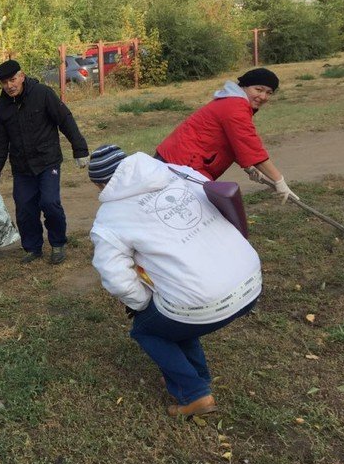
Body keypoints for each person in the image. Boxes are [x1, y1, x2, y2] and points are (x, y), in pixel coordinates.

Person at [88, 145, 262, 417]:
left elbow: (115, 277)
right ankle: (194, 376)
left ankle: (195, 394)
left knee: (148, 328)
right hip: (251, 277)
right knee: (174, 314)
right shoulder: (180, 172)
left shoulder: (109, 218)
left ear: (100, 184)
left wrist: (141, 302)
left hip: (204, 298)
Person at [0, 59, 90, 265]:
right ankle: (32, 248)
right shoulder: (1, 107)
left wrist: (80, 149)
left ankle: (58, 243)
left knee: (50, 203)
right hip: (22, 167)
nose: (9, 86)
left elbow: (65, 119)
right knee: (25, 208)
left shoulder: (43, 94)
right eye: (4, 82)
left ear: (22, 76)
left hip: (47, 160)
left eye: (13, 80)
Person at [155, 67, 298, 203]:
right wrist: (278, 180)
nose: (263, 96)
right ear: (244, 86)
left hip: (182, 161)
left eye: (269, 92)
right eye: (258, 89)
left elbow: (232, 142)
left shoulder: (234, 103)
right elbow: (250, 146)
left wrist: (249, 167)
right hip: (180, 164)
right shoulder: (235, 107)